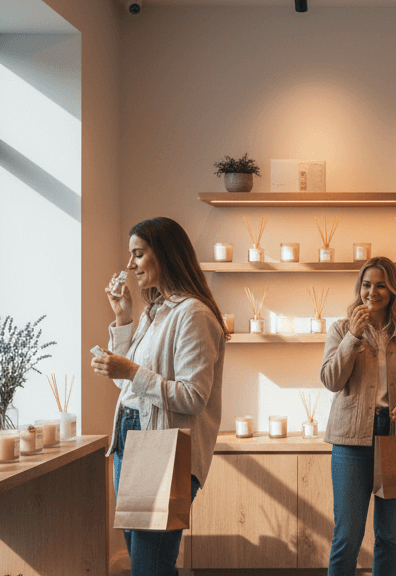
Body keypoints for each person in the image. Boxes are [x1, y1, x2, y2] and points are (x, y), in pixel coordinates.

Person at [92, 217, 227, 576]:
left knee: (150, 566)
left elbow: (193, 396)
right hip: (130, 439)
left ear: (163, 255)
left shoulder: (193, 314)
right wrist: (123, 319)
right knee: (145, 562)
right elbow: (129, 388)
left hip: (165, 448)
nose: (129, 264)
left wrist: (132, 371)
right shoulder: (157, 312)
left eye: (138, 254)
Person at [320, 256, 396, 576]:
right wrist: (353, 337)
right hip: (350, 442)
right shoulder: (341, 329)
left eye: (381, 284)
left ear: (393, 289)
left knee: (389, 538)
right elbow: (331, 380)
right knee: (347, 538)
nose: (373, 291)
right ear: (359, 288)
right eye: (367, 284)